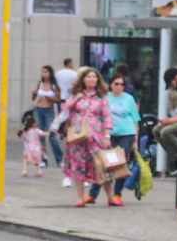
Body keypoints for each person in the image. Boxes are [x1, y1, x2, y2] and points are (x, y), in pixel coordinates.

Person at [59, 66, 114, 206]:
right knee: (78, 164)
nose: (91, 79)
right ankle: (80, 198)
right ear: (83, 80)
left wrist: (107, 135)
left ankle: (111, 197)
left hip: (96, 135)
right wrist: (75, 99)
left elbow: (107, 116)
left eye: (94, 77)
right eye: (88, 77)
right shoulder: (76, 94)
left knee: (102, 166)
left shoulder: (102, 96)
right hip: (77, 135)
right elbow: (64, 110)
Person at [105, 72, 142, 202]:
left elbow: (135, 119)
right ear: (111, 85)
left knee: (121, 162)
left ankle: (117, 193)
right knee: (107, 162)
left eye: (122, 84)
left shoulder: (129, 98)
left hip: (127, 132)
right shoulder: (105, 98)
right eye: (116, 84)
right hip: (110, 133)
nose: (119, 87)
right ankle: (95, 193)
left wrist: (136, 139)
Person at [31, 65, 62, 176]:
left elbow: (58, 100)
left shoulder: (54, 86)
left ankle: (59, 158)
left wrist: (51, 98)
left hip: (49, 110)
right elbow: (34, 98)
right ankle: (43, 159)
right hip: (39, 109)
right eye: (43, 72)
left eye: (46, 72)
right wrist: (34, 93)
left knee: (52, 134)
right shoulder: (40, 84)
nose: (44, 74)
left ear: (50, 73)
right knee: (40, 135)